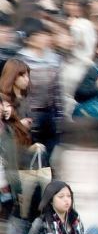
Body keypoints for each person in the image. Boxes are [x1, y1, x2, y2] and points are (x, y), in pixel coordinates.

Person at [15, 18, 62, 157]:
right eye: (39, 35)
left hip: (51, 114)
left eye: (45, 34)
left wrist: (60, 115)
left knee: (49, 153)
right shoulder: (21, 60)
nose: (44, 38)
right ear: (29, 39)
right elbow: (19, 92)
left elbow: (57, 89)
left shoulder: (54, 58)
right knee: (33, 155)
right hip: (31, 114)